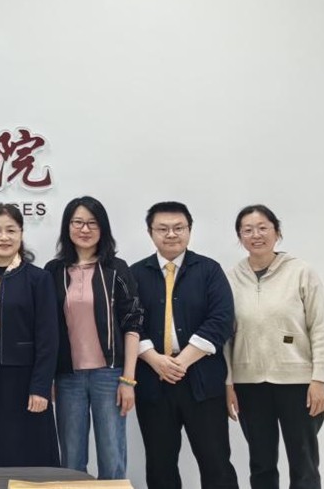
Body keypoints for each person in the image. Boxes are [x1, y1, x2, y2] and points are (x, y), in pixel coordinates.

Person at [130, 201, 238, 489]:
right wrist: (155, 359)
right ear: (150, 232)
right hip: (154, 381)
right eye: (163, 229)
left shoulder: (209, 270)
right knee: (160, 465)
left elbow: (221, 319)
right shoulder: (135, 273)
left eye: (178, 228)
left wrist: (182, 361)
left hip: (202, 381)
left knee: (216, 463)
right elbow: (128, 323)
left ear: (189, 230)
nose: (171, 234)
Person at [224, 204, 324, 489]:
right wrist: (229, 383)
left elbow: (319, 328)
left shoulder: (301, 272)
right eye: (247, 230)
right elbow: (225, 337)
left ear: (277, 232)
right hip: (249, 385)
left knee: (304, 462)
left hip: (298, 383)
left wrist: (318, 379)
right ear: (239, 236)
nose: (256, 235)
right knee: (261, 463)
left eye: (263, 228)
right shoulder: (231, 278)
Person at [45, 196, 142, 479]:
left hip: (109, 376)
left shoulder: (116, 269)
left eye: (92, 223)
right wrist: (48, 377)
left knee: (112, 458)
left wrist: (128, 380)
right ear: (67, 227)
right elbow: (46, 328)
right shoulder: (54, 271)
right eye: (78, 222)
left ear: (103, 228)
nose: (84, 229)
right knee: (71, 460)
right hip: (68, 377)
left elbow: (133, 323)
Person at [0, 203, 60, 468]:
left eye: (11, 230)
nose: (3, 237)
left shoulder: (38, 279)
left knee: (29, 454)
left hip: (25, 380)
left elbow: (48, 339)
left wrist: (41, 387)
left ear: (21, 233)